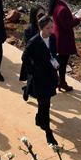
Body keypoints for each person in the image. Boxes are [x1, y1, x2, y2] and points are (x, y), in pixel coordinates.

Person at [20, 14, 59, 146]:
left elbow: (54, 53)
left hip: (50, 75)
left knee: (45, 102)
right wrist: (32, 72)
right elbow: (24, 58)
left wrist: (55, 61)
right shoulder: (34, 42)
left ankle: (39, 117)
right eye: (48, 28)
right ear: (41, 28)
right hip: (39, 77)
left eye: (52, 27)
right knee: (45, 104)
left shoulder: (52, 38)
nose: (51, 30)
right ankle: (48, 132)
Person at [48, 0, 81, 92]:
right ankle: (61, 82)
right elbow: (67, 25)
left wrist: (70, 15)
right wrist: (78, 19)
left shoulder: (57, 4)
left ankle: (59, 80)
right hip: (63, 38)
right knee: (63, 62)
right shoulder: (62, 8)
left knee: (60, 61)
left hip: (57, 35)